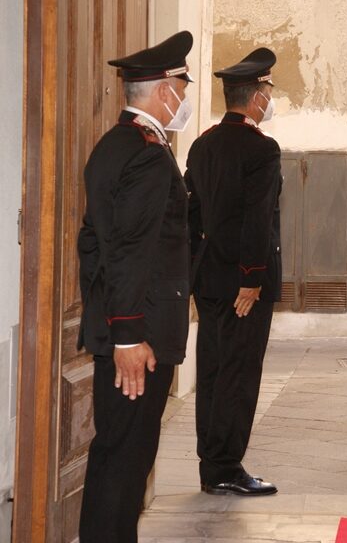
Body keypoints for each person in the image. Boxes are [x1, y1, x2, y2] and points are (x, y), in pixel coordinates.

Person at [76, 31, 194, 542]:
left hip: (126, 325)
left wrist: (106, 314)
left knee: (118, 454)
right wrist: (126, 334)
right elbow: (129, 250)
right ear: (163, 88)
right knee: (126, 459)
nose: (184, 99)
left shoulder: (115, 143)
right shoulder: (145, 153)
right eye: (182, 87)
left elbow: (91, 243)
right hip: (137, 337)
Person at [185, 48, 281, 496]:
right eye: (267, 91)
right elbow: (257, 218)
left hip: (208, 280)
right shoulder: (261, 147)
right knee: (239, 374)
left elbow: (193, 213)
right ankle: (226, 467)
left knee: (213, 370)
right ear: (257, 96)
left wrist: (194, 272)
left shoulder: (203, 144)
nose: (268, 99)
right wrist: (253, 277)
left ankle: (211, 464)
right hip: (243, 284)